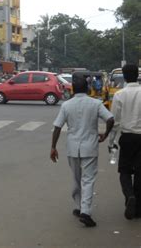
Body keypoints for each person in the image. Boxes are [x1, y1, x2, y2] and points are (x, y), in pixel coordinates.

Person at [50, 75, 114, 227]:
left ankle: (78, 207)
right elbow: (110, 119)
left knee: (76, 179)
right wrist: (105, 135)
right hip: (90, 147)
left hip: (72, 148)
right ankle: (85, 211)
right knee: (88, 180)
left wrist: (53, 147)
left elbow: (57, 127)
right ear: (88, 88)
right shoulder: (96, 103)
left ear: (72, 89)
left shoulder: (66, 105)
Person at [109, 64, 141, 220]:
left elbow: (114, 121)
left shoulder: (119, 95)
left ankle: (129, 196)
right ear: (137, 75)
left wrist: (111, 141)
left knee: (125, 171)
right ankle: (138, 207)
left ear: (125, 77)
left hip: (127, 137)